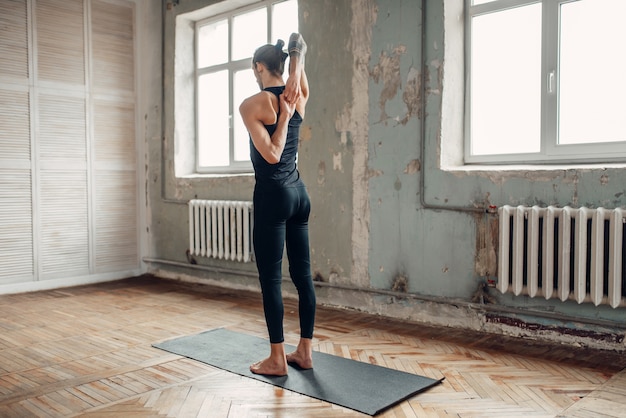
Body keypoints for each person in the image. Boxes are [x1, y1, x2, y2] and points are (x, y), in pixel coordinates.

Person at [239, 33, 314, 376]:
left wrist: (282, 117)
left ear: (258, 67)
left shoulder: (252, 104)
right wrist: (297, 61)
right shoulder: (299, 94)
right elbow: (298, 60)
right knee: (302, 276)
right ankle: (304, 352)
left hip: (273, 196)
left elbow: (271, 154)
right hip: (300, 194)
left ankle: (277, 358)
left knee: (271, 278)